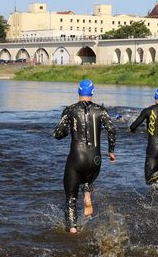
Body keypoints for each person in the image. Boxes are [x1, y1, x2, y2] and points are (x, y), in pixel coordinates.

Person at [53, 79, 116, 234]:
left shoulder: (70, 110)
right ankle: (87, 196)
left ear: (79, 92)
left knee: (71, 198)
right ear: (92, 92)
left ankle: (73, 230)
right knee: (88, 177)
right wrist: (111, 150)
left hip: (77, 158)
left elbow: (57, 134)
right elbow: (112, 130)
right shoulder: (101, 110)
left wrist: (68, 131)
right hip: (95, 159)